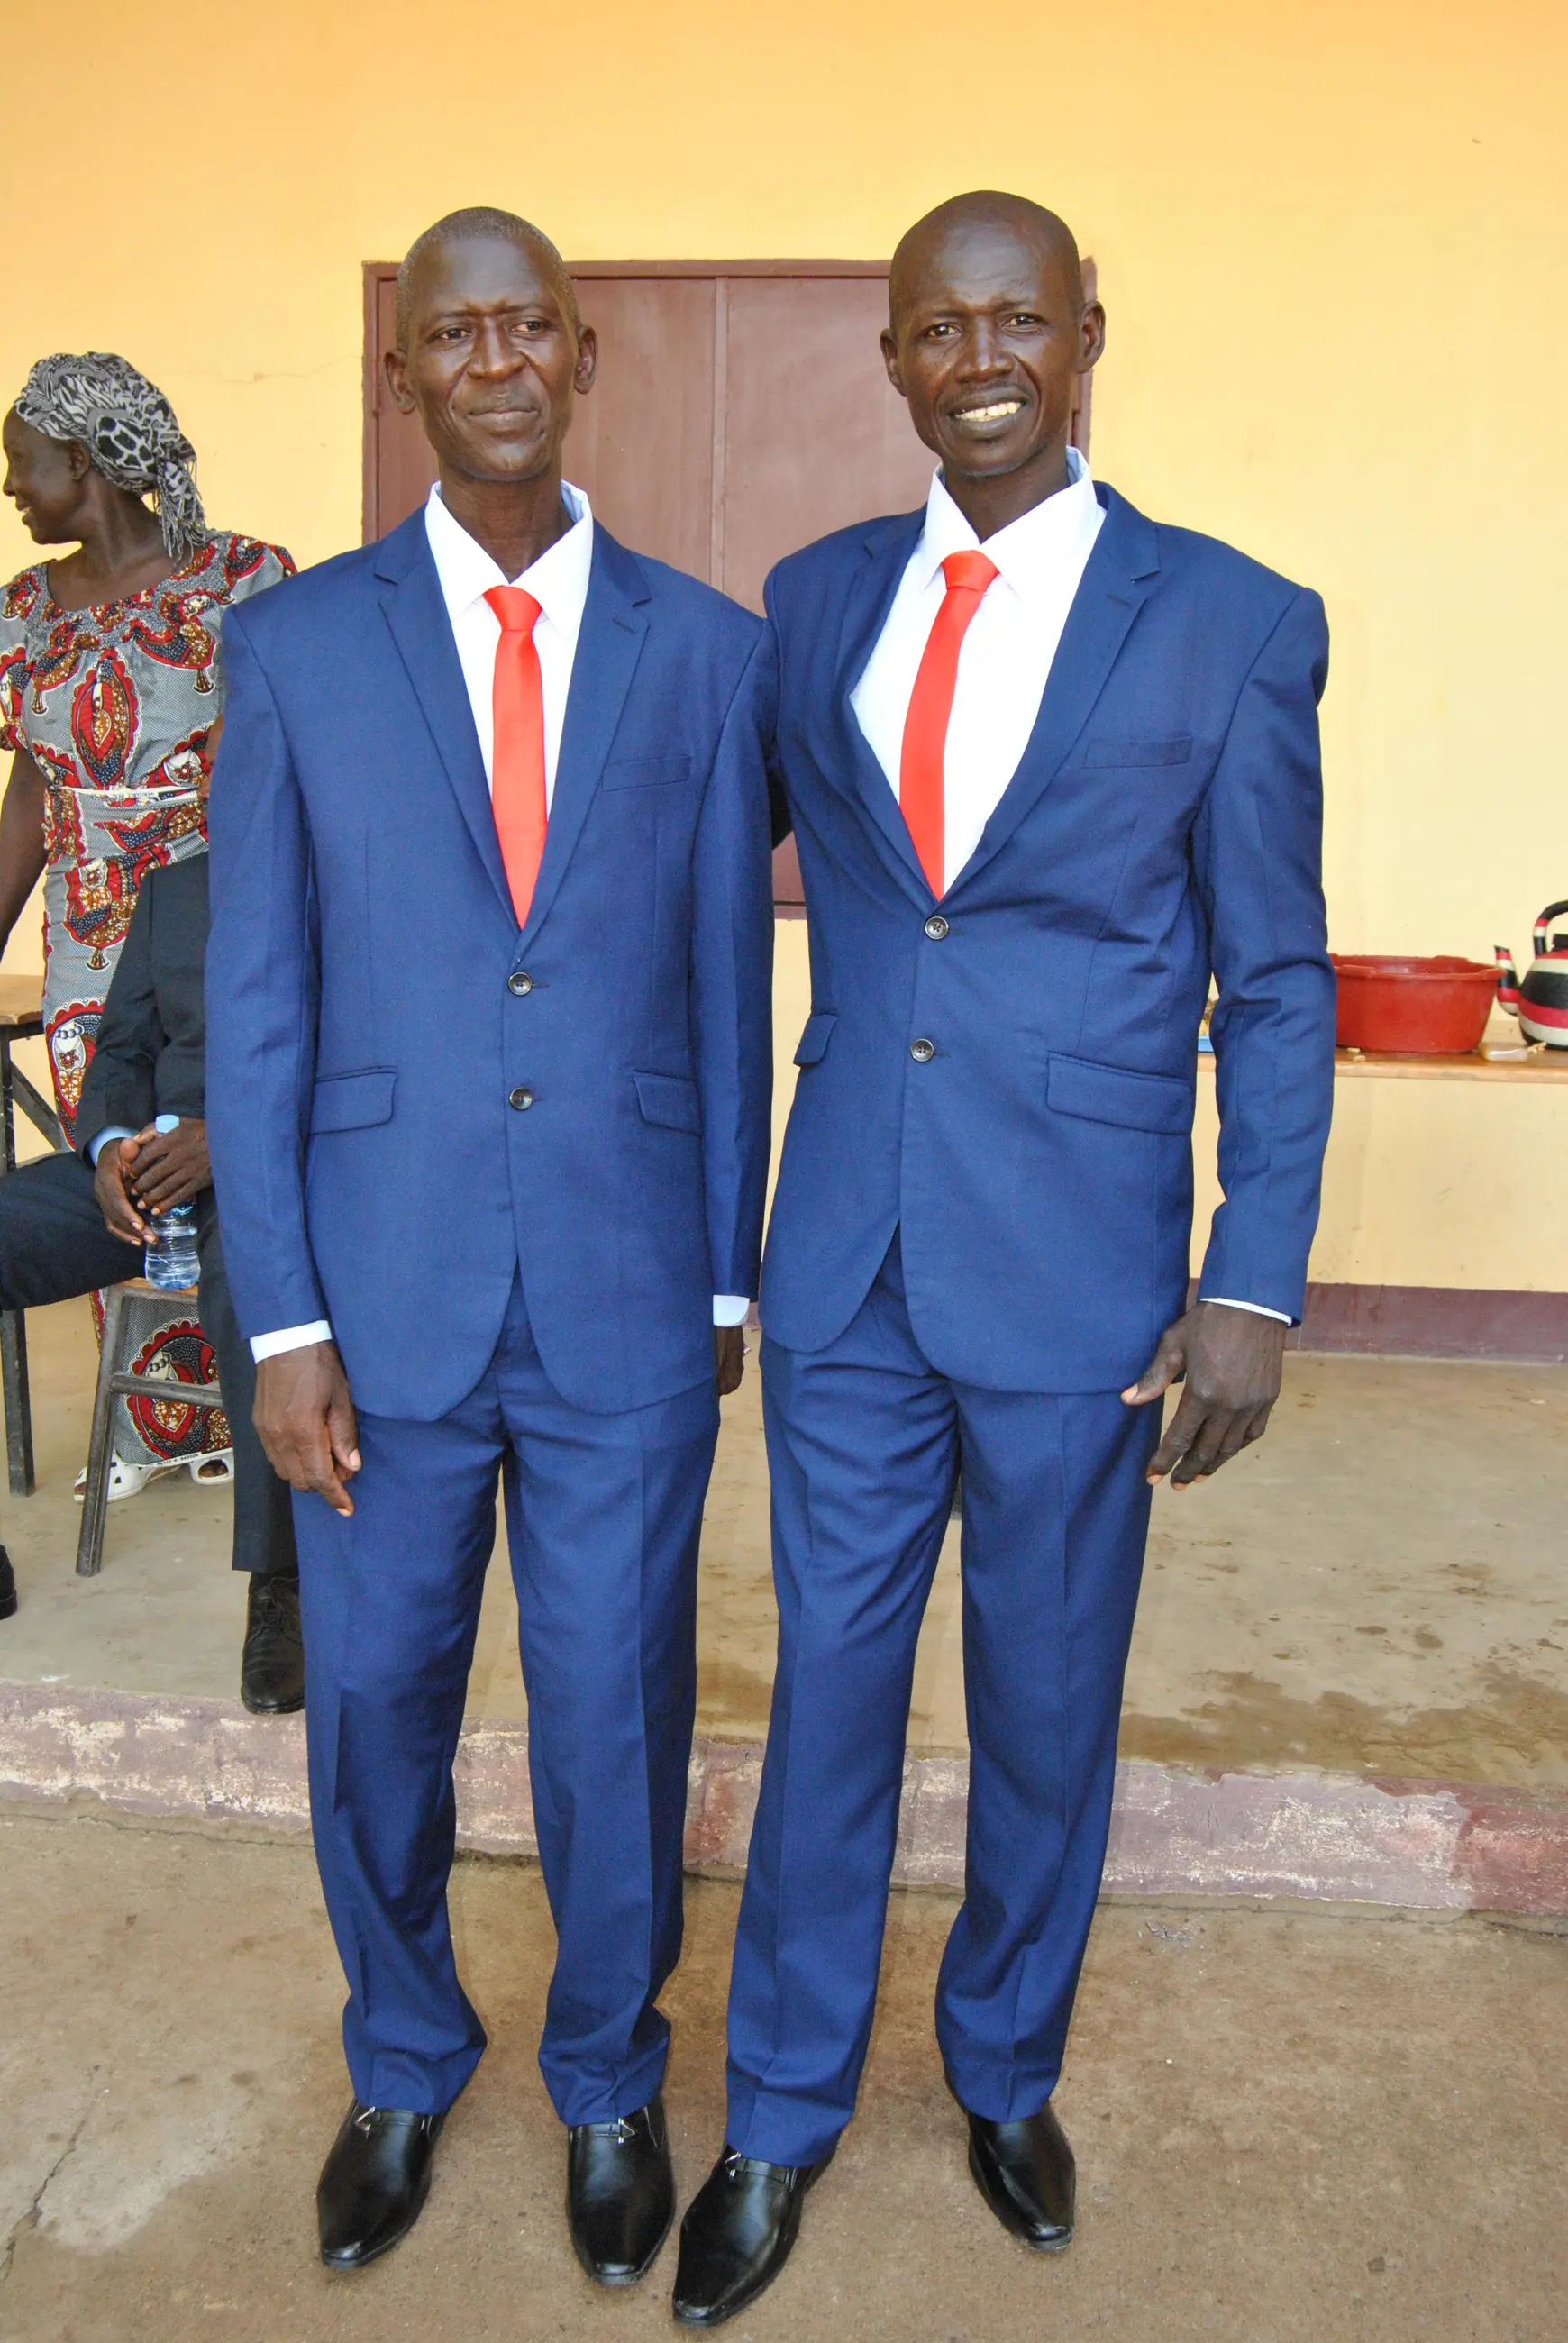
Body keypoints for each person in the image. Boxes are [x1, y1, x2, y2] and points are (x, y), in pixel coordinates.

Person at [672, 191, 1335, 2328]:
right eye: (939, 326)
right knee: (827, 1704)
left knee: (1045, 1709)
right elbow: (694, 869)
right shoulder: (813, 601)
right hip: (848, 1258)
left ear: (1085, 337)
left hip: (1081, 1278)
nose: (980, 358)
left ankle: (1001, 2066)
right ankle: (780, 2107)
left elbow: (1278, 979)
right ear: (890, 357)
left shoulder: (1229, 620)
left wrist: (1252, 1276)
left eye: (1017, 320)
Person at [204, 208, 773, 2280]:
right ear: (406, 373)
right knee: (375, 1705)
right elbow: (258, 1005)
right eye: (457, 334)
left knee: (616, 1708)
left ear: (582, 355)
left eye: (532, 326)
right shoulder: (294, 649)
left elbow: (726, 983)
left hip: (626, 1289)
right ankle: (402, 2055)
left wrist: (726, 1271)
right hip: (377, 1296)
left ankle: (608, 2076)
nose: (499, 361)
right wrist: (281, 1319)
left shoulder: (705, 651)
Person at [0, 353, 293, 1500]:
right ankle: (158, 1424)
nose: (11, 486)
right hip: (86, 945)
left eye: (23, 462)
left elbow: (297, 761)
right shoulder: (25, 612)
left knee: (232, 1157)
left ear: (83, 461)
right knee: (121, 1173)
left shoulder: (243, 581)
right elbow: (30, 796)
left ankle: (256, 1412)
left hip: (226, 926)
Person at [0, 823, 304, 1709]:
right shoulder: (175, 892)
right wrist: (107, 1147)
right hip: (149, 1176)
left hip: (274, 1177)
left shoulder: (356, 882)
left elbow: (369, 1070)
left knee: (255, 1293)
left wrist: (230, 1141)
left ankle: (281, 1588)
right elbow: (124, 1047)